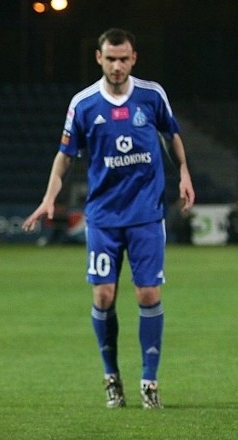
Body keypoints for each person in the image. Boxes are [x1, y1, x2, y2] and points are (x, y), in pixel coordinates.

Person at [22, 28, 195, 409]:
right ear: (99, 58)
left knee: (148, 293)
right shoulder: (83, 104)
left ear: (134, 59)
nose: (117, 65)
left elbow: (172, 133)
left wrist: (183, 171)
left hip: (146, 214)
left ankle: (149, 381)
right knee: (103, 294)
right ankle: (111, 377)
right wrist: (50, 197)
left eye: (124, 58)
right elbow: (65, 155)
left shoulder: (151, 95)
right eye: (110, 58)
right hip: (103, 216)